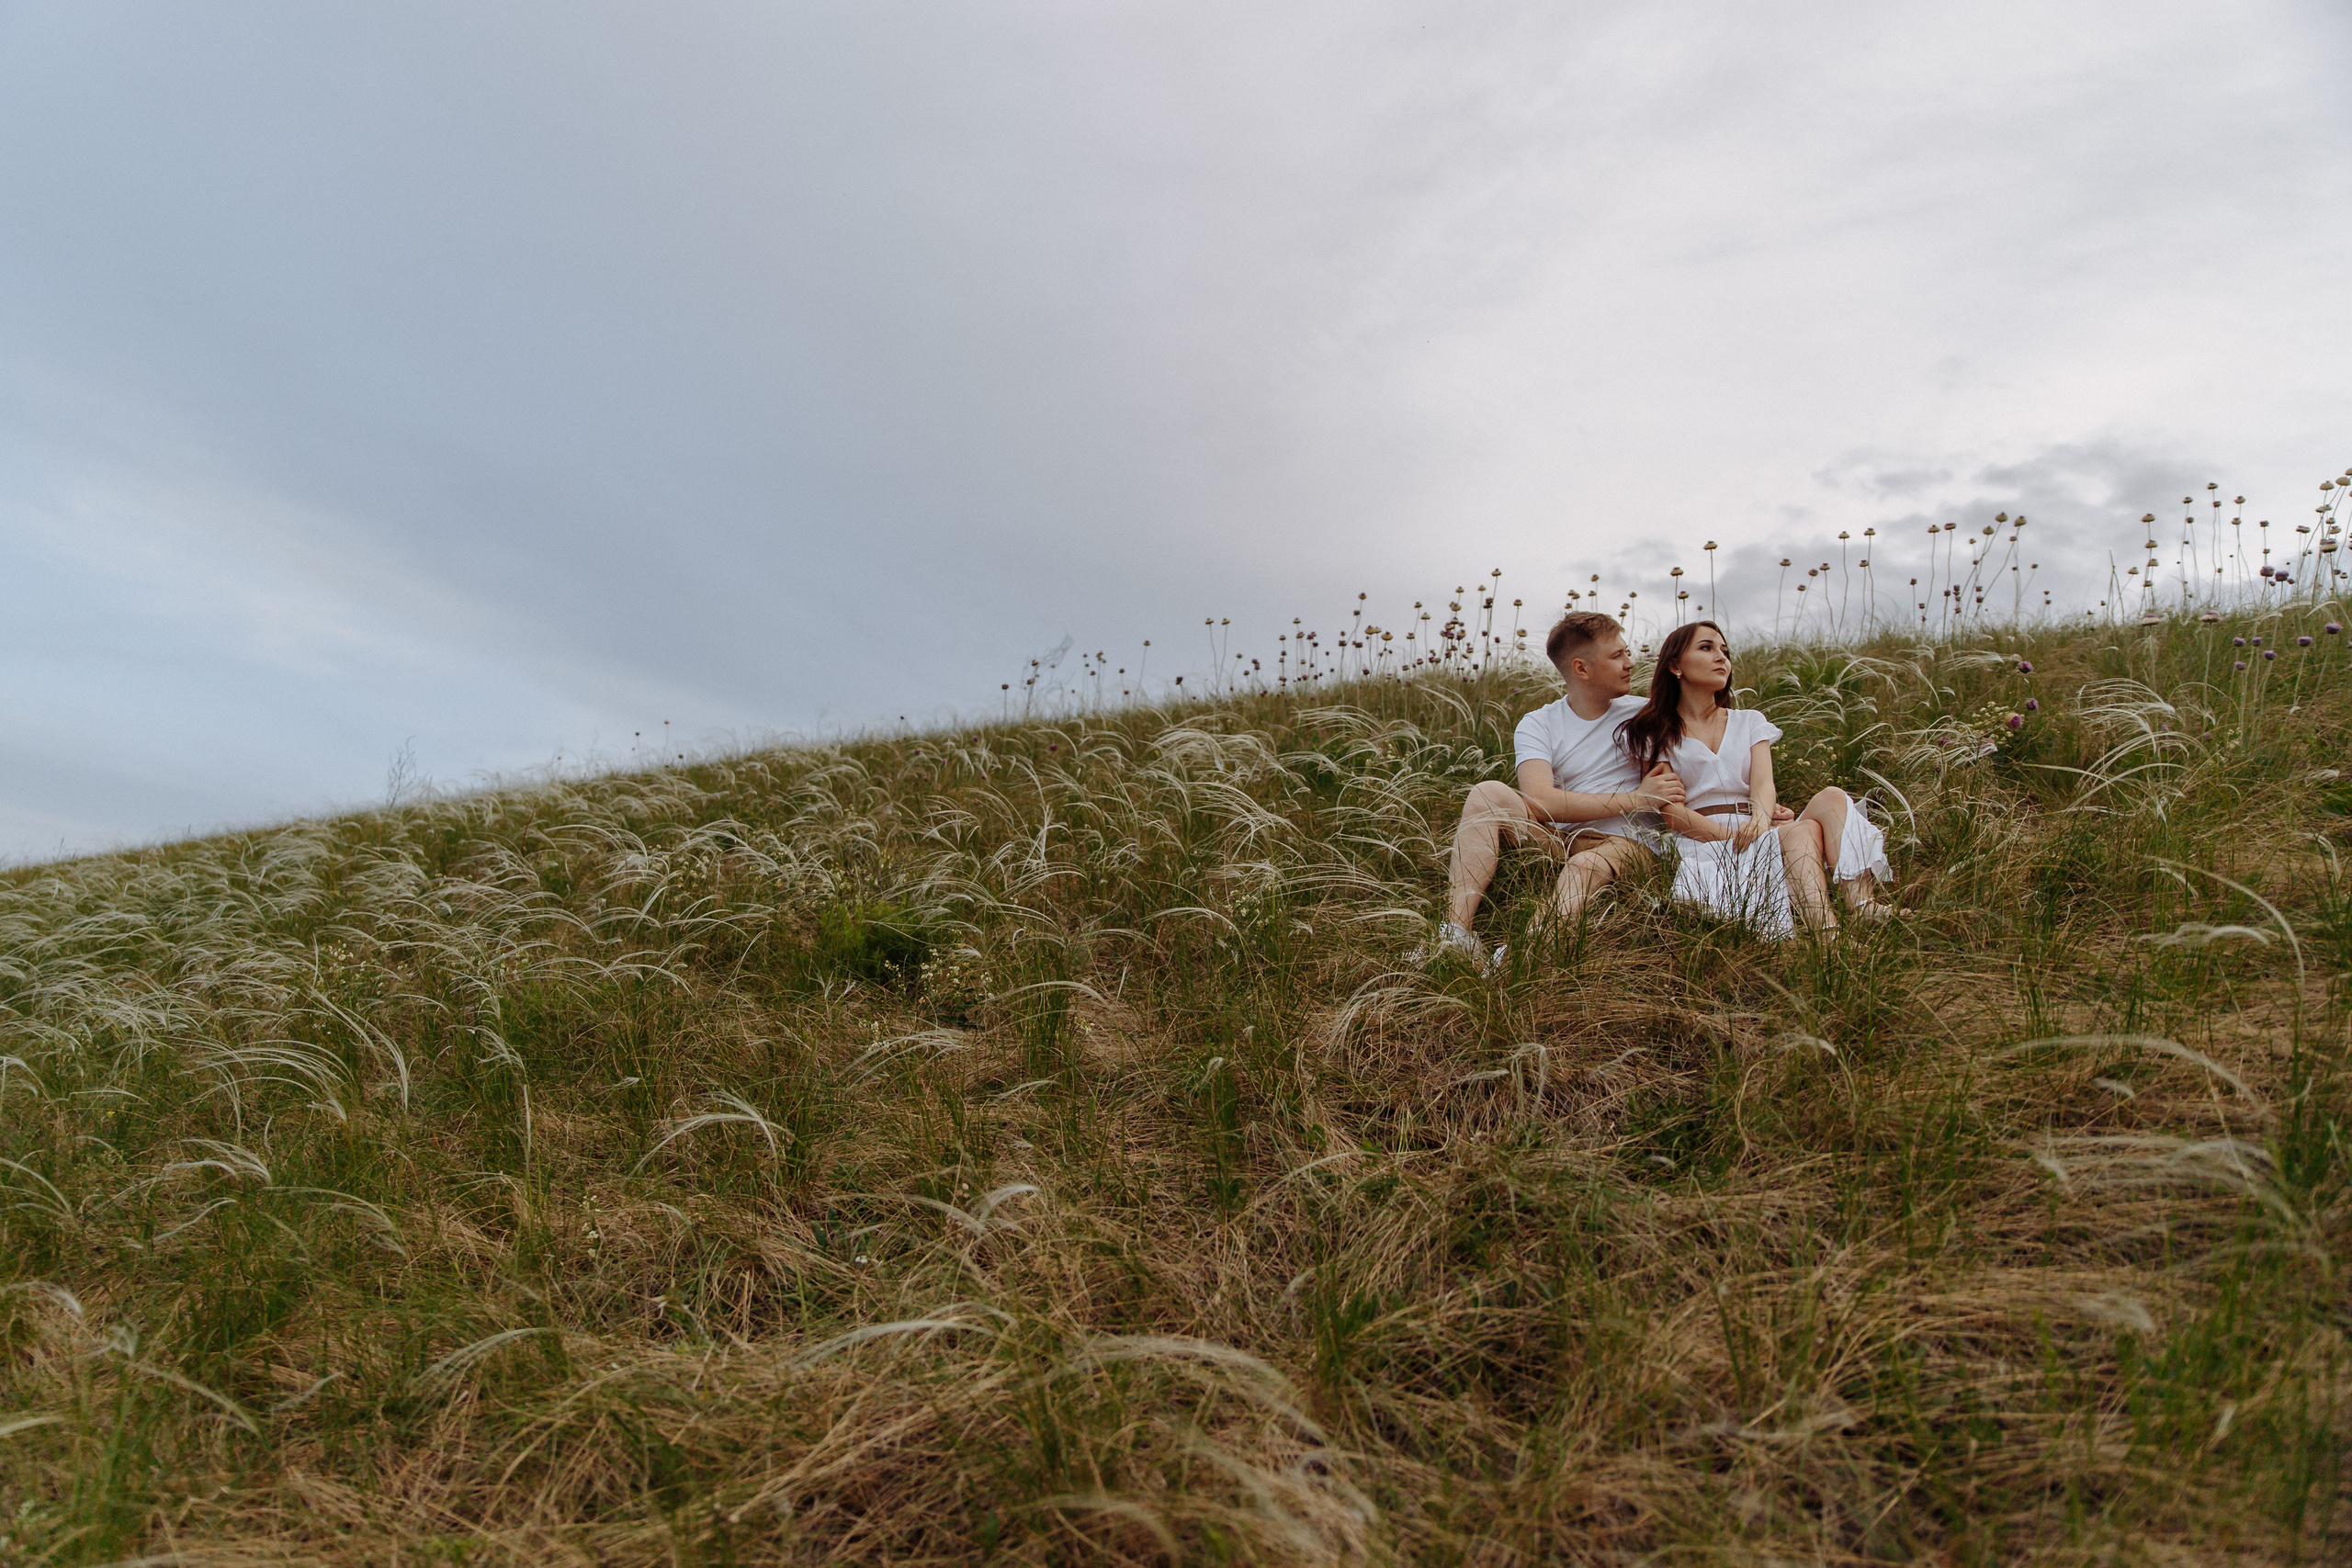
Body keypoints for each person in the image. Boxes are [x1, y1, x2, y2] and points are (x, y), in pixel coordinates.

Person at [1430, 610, 1702, 967]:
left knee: (1587, 863)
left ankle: (1520, 958)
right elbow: (1540, 801)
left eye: (1627, 652)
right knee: (1487, 793)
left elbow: (1711, 753)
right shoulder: (1539, 723)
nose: (1630, 663)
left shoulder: (1646, 713)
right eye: (1617, 655)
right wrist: (1636, 798)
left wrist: (1757, 805)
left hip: (1633, 845)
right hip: (1562, 842)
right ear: (1581, 669)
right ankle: (1456, 936)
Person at [1617, 619, 1894, 938]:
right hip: (1705, 841)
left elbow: (1763, 784)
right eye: (1706, 648)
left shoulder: (1749, 721)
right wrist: (1735, 839)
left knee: (1831, 797)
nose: (1722, 657)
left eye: (1725, 651)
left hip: (1756, 824)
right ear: (1676, 665)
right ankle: (1826, 936)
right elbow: (1669, 810)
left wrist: (1761, 823)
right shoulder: (1655, 731)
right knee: (1799, 833)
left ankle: (1861, 905)